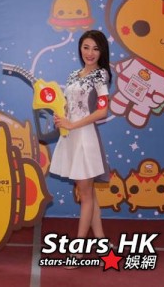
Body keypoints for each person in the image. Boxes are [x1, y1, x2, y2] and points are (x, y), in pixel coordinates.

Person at [49, 29, 112, 266]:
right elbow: (68, 105)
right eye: (86, 47)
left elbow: (102, 111)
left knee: (85, 195)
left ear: (102, 52)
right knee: (89, 194)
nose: (90, 53)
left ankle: (78, 251)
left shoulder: (101, 75)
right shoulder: (73, 75)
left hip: (84, 137)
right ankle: (102, 242)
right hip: (70, 136)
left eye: (96, 48)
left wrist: (73, 124)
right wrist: (61, 116)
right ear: (80, 48)